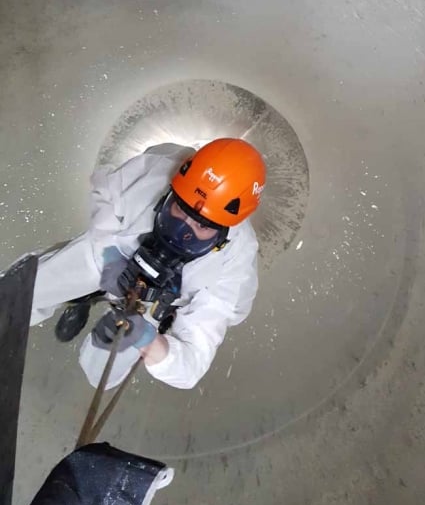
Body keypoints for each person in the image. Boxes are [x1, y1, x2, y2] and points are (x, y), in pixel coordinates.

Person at [30, 138, 266, 390]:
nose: (181, 230)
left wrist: (148, 341)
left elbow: (192, 362)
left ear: (223, 235)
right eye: (179, 209)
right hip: (113, 253)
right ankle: (82, 296)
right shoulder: (156, 171)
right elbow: (105, 193)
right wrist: (108, 254)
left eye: (202, 225)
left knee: (101, 373)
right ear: (170, 194)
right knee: (35, 286)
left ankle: (96, 309)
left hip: (160, 302)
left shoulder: (233, 264)